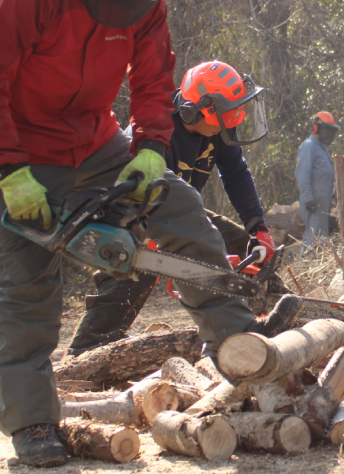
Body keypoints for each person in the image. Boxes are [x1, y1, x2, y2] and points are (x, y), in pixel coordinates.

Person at [0, 0, 292, 467]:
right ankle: (32, 422)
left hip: (95, 141)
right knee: (27, 286)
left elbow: (153, 78)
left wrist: (149, 148)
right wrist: (10, 171)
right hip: (18, 151)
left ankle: (241, 351)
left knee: (181, 209)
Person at [65, 60, 282, 360]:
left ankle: (277, 311)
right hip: (126, 217)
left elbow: (235, 171)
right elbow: (136, 199)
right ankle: (85, 352)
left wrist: (257, 225)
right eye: (227, 114)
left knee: (238, 241)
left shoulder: (217, 124)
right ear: (194, 111)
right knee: (136, 271)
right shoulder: (151, 131)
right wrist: (190, 255)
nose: (232, 121)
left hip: (181, 214)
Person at [296, 111, 338, 251]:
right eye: (326, 130)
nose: (328, 135)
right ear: (316, 128)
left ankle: (311, 265)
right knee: (313, 237)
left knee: (320, 237)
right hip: (313, 202)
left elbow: (325, 176)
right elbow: (302, 174)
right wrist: (309, 198)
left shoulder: (322, 148)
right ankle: (304, 265)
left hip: (322, 202)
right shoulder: (309, 146)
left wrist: (331, 195)